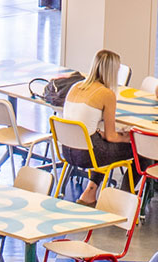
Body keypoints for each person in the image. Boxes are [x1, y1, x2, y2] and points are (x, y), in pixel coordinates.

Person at [62, 49, 135, 204]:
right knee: (139, 149)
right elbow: (112, 136)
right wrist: (128, 138)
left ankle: (90, 192)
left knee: (102, 144)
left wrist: (99, 133)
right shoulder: (107, 94)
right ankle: (124, 199)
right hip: (88, 154)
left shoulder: (75, 86)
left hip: (67, 150)